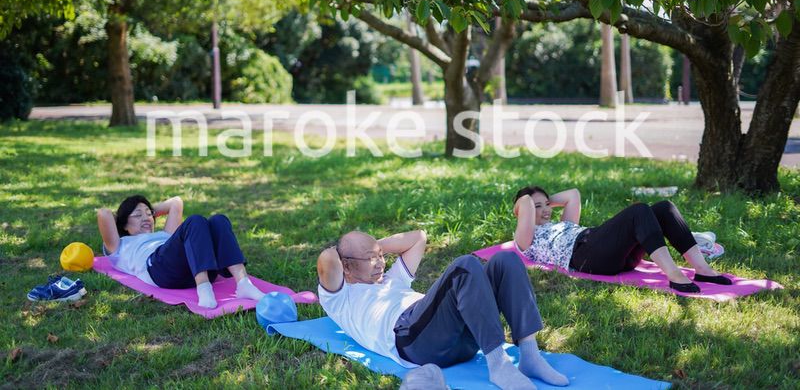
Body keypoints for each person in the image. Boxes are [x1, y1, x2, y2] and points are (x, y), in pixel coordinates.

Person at [317, 229, 569, 390]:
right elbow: (328, 258)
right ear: (346, 267)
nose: (381, 262)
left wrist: (371, 247)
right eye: (372, 258)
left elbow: (419, 237)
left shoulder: (391, 279)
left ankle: (530, 356)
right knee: (464, 266)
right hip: (413, 339)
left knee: (506, 259)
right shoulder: (340, 298)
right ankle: (499, 365)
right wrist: (352, 251)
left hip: (457, 340)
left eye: (381, 255)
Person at [512, 186, 732, 293]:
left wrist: (545, 201)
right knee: (638, 211)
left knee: (664, 208)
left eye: (547, 205)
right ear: (523, 211)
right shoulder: (526, 238)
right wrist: (531, 204)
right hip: (587, 255)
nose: (545, 210)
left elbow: (573, 194)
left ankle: (702, 269)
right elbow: (525, 202)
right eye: (537, 206)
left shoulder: (562, 224)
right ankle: (673, 274)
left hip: (609, 252)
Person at [97, 195, 266, 308]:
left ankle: (244, 284)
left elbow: (176, 202)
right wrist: (127, 212)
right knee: (195, 221)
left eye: (149, 214)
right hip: (161, 271)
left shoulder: (165, 235)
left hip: (197, 268)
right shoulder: (119, 245)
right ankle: (204, 289)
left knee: (218, 220)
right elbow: (103, 213)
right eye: (138, 215)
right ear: (124, 224)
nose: (147, 218)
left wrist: (144, 209)